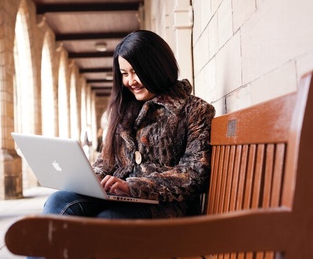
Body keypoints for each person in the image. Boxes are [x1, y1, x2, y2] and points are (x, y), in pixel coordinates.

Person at [43, 30, 216, 219]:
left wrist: (133, 187)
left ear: (156, 68)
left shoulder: (195, 110)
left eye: (135, 72)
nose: (130, 81)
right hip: (119, 197)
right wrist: (94, 178)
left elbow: (194, 174)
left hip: (165, 205)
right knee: (58, 202)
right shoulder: (123, 110)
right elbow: (106, 161)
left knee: (106, 219)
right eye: (124, 73)